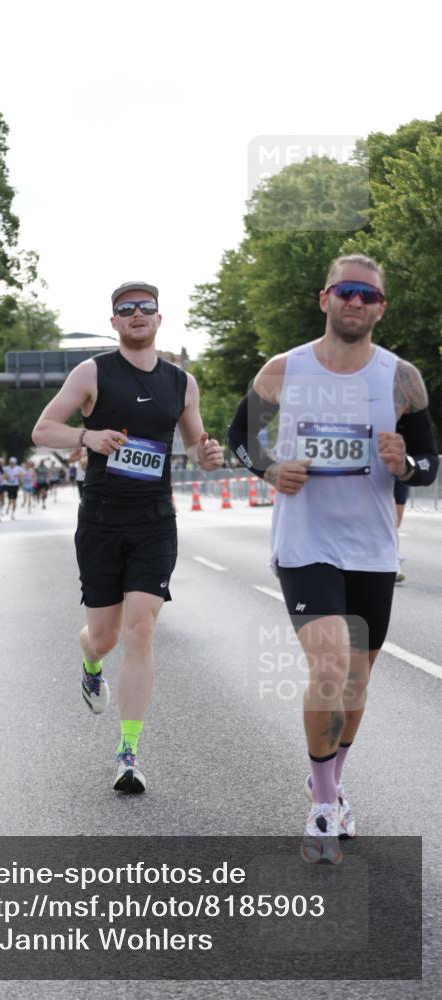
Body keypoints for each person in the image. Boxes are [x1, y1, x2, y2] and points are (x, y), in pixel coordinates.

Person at [227, 254, 439, 862]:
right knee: (330, 668)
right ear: (325, 299)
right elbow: (242, 438)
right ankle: (323, 805)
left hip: (372, 549)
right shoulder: (282, 370)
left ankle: (332, 780)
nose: (356, 303)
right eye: (346, 291)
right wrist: (270, 468)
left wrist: (405, 464)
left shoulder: (402, 379)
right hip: (305, 545)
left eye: (368, 296)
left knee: (357, 680)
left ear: (380, 308)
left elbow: (426, 464)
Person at [32, 280, 223, 793]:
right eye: (126, 309)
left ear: (160, 319)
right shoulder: (92, 372)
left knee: (140, 630)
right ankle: (91, 661)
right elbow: (42, 430)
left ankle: (129, 752)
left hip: (154, 522)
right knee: (106, 636)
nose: (137, 314)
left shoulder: (181, 382)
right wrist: (86, 435)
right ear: (114, 321)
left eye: (146, 308)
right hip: (100, 520)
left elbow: (193, 441)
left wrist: (207, 455)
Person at [393, 480, 409, 584]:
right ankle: (394, 566)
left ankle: (393, 562)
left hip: (398, 479)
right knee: (391, 523)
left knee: (395, 524)